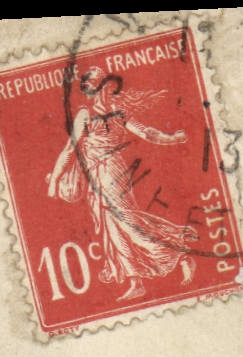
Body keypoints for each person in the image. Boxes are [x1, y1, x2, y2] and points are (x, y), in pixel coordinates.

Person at [45, 67, 199, 302]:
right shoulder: (100, 114)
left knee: (124, 222)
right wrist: (55, 178)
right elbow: (71, 149)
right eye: (90, 89)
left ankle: (176, 255)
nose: (93, 93)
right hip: (103, 174)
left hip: (109, 173)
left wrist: (173, 139)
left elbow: (147, 134)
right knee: (117, 224)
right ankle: (137, 278)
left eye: (94, 88)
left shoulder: (105, 113)